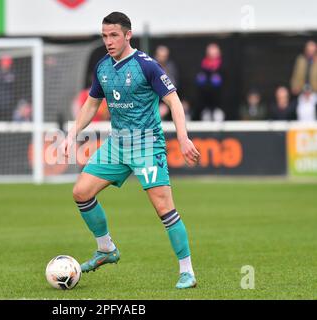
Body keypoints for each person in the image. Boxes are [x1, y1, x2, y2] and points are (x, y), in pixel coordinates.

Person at [61, 12, 200, 289]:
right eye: (104, 36)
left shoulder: (146, 66)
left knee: (164, 208)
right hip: (117, 144)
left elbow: (173, 102)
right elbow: (91, 104)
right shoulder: (102, 67)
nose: (108, 41)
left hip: (147, 144)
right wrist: (72, 133)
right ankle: (106, 249)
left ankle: (187, 271)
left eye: (114, 35)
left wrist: (183, 138)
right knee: (81, 192)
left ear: (128, 35)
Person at [195, 43, 224, 121]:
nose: (212, 55)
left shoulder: (223, 67)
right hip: (204, 106)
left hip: (220, 106)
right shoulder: (202, 66)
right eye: (210, 53)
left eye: (215, 53)